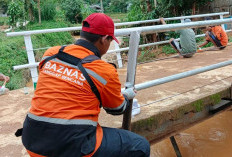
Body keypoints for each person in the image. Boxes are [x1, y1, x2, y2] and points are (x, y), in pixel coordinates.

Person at [19, 13, 150, 157]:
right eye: (110, 40)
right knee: (141, 146)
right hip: (71, 147)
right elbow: (117, 109)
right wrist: (126, 95)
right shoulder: (104, 70)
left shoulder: (50, 54)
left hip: (33, 141)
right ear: (104, 39)